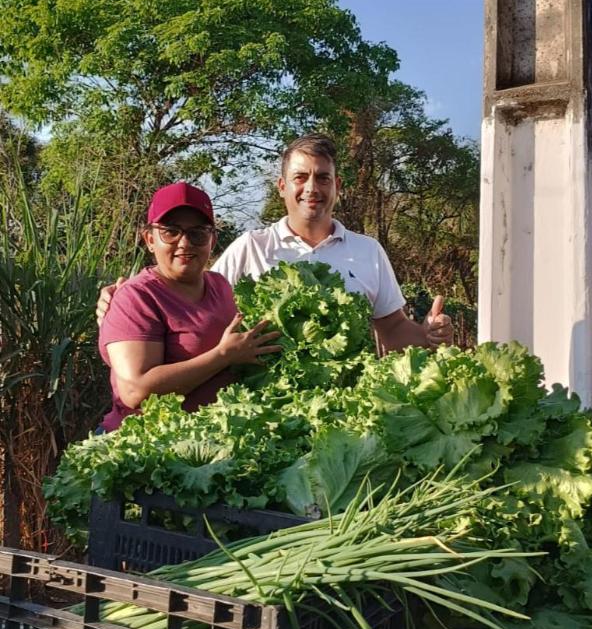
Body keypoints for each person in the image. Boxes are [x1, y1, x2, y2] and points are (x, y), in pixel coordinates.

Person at [98, 134, 453, 352]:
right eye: (300, 177)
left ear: (337, 186)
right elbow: (190, 301)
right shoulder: (251, 247)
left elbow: (391, 329)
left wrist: (426, 334)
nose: (312, 188)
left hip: (348, 412)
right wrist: (127, 303)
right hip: (265, 414)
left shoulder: (368, 251)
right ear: (282, 186)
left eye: (322, 178)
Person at [98, 182, 281, 432]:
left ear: (212, 240)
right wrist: (224, 355)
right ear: (150, 239)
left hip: (210, 440)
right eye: (170, 232)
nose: (185, 243)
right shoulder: (137, 297)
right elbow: (135, 390)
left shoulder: (220, 285)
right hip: (152, 444)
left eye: (198, 233)